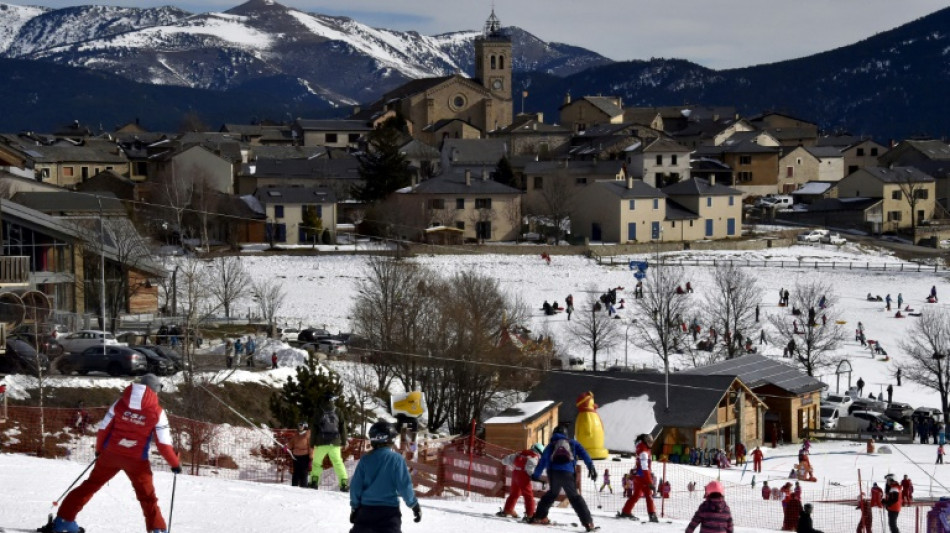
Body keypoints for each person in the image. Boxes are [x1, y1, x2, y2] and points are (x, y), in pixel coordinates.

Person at [50, 374, 181, 533]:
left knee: (90, 486)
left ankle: (64, 520)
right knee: (147, 497)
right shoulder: (158, 412)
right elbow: (164, 444)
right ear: (154, 390)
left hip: (110, 455)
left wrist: (99, 450)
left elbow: (103, 429)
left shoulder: (119, 403)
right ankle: (157, 530)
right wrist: (175, 464)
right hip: (137, 461)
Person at [349, 420, 420, 533]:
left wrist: (354, 507)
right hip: (389, 514)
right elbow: (404, 486)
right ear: (389, 439)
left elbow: (355, 487)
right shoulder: (397, 459)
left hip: (365, 511)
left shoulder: (365, 460)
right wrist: (414, 505)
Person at [529, 424, 597, 531]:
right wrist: (591, 467)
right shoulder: (572, 443)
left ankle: (538, 517)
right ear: (566, 434)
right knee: (574, 497)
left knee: (551, 494)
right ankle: (588, 523)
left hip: (553, 473)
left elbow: (543, 461)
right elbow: (584, 454)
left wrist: (536, 475)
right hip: (568, 472)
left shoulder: (551, 445)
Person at [310, 392, 349, 491]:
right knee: (338, 462)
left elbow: (314, 429)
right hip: (335, 443)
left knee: (317, 463)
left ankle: (314, 481)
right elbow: (342, 427)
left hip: (321, 442)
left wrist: (312, 443)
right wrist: (344, 441)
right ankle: (344, 483)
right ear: (333, 400)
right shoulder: (338, 411)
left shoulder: (318, 411)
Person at [618, 434, 658, 522]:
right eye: (649, 442)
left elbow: (639, 464)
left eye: (652, 442)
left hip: (638, 476)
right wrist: (649, 481)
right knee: (648, 495)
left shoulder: (642, 448)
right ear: (645, 441)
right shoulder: (644, 451)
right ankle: (652, 515)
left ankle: (626, 511)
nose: (651, 443)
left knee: (636, 495)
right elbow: (644, 467)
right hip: (643, 477)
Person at [498, 443, 542, 519]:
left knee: (514, 494)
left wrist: (503, 461)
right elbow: (530, 469)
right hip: (523, 475)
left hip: (515, 474)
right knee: (528, 496)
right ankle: (530, 514)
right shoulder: (534, 457)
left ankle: (508, 509)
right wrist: (533, 476)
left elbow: (506, 460)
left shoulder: (521, 453)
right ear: (539, 452)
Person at [289, 421, 313, 488]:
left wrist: (311, 456)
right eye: (299, 425)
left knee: (303, 473)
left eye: (301, 425)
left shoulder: (308, 435)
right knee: (295, 473)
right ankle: (294, 487)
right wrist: (286, 447)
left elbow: (311, 446)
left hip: (305, 456)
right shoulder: (296, 435)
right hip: (296, 456)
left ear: (305, 426)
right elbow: (291, 443)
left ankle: (304, 487)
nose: (299, 427)